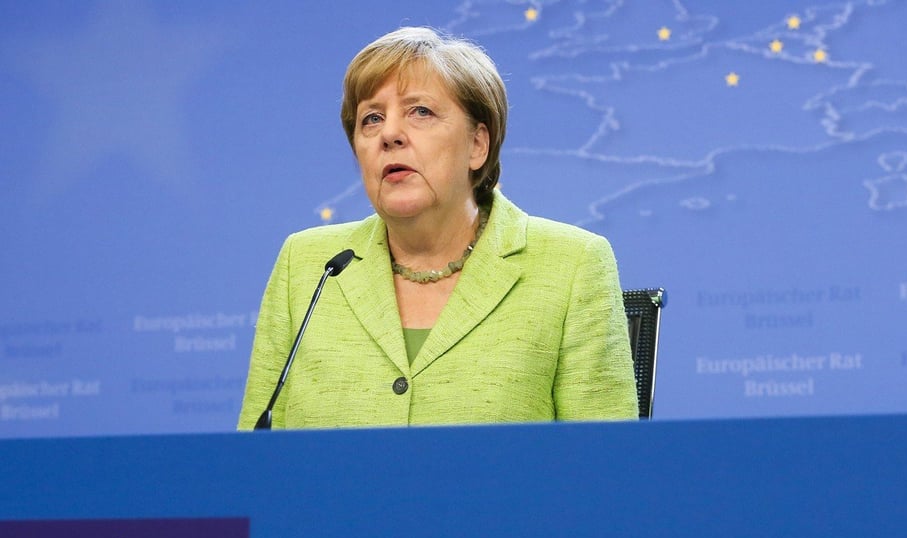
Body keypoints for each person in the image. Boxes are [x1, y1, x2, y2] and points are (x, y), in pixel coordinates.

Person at [237, 26, 637, 429]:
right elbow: (252, 465)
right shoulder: (307, 266)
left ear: (478, 145)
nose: (390, 134)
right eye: (371, 119)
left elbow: (606, 470)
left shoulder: (571, 265)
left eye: (420, 112)